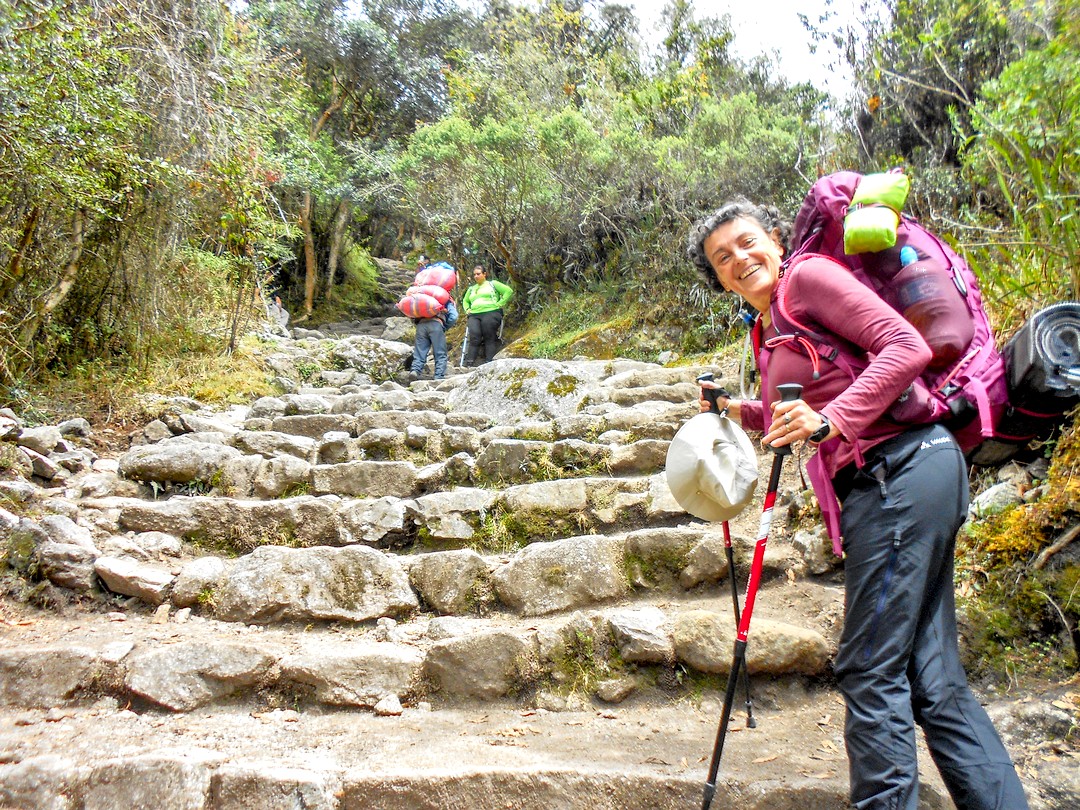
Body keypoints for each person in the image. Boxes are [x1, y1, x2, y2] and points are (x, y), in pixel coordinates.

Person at [686, 199, 1029, 810]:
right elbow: (809, 406)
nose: (739, 260)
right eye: (722, 259)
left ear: (773, 237)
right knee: (933, 680)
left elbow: (904, 348)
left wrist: (833, 420)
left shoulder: (809, 280)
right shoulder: (768, 330)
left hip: (900, 471)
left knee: (870, 668)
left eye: (746, 243)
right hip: (903, 475)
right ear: (717, 279)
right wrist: (741, 411)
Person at [461, 265, 513, 366]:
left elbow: (508, 291)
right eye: (474, 274)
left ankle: (489, 361)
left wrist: (500, 303)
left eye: (478, 274)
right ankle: (469, 362)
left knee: (489, 335)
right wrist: (467, 309)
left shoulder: (492, 284)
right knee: (474, 336)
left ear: (484, 274)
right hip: (474, 314)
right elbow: (465, 301)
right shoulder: (472, 289)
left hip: (491, 312)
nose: (476, 276)